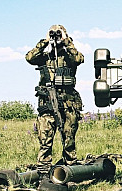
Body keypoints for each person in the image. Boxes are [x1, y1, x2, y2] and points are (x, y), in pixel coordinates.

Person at [26, 25, 84, 166]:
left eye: (58, 33)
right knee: (45, 140)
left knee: (69, 139)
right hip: (47, 103)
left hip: (67, 104)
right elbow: (29, 57)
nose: (56, 36)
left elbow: (78, 59)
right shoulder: (44, 57)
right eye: (54, 33)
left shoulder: (69, 57)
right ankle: (44, 169)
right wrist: (45, 41)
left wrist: (66, 40)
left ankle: (70, 168)